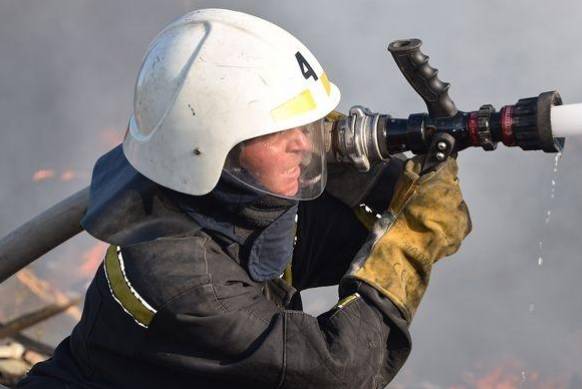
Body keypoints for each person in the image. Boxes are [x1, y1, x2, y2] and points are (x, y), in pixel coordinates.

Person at [18, 9, 471, 389]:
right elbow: (339, 369)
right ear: (215, 147)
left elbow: (342, 237)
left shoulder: (219, 197)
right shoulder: (186, 279)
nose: (305, 144)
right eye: (280, 131)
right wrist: (414, 238)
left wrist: (395, 182)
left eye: (309, 124)